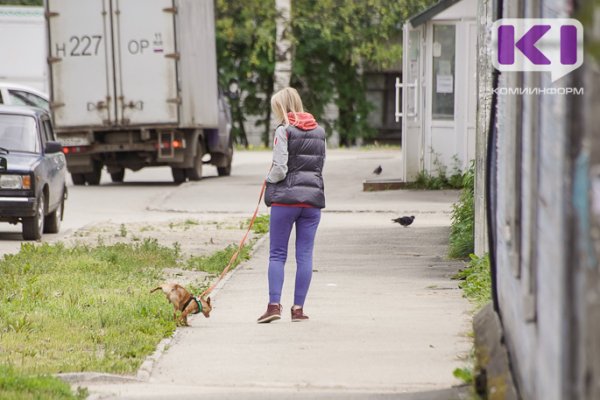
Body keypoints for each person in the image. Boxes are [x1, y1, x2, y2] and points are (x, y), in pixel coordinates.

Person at [257, 87, 326, 323]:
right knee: (305, 255)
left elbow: (279, 168)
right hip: (312, 202)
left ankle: (274, 306)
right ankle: (298, 310)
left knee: (277, 254)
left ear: (282, 107)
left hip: (285, 201)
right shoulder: (320, 131)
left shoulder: (283, 130)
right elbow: (319, 166)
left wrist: (267, 180)